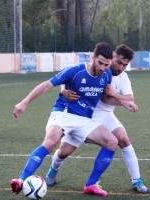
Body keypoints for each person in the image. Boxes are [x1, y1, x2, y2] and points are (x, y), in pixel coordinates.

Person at [9, 42, 118, 196]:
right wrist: (24, 102)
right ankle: (20, 180)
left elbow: (106, 98)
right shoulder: (75, 71)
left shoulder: (107, 75)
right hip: (63, 113)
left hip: (84, 119)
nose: (102, 68)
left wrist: (120, 98)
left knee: (111, 142)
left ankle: (91, 184)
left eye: (106, 65)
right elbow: (47, 85)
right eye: (100, 63)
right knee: (51, 141)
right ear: (92, 57)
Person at [45, 44, 148, 195]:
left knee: (123, 140)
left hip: (106, 116)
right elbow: (71, 79)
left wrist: (119, 97)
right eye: (119, 62)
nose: (121, 68)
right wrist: (64, 90)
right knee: (63, 152)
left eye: (125, 65)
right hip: (83, 116)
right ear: (113, 57)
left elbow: (128, 97)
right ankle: (52, 170)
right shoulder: (98, 69)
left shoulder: (122, 77)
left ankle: (136, 180)